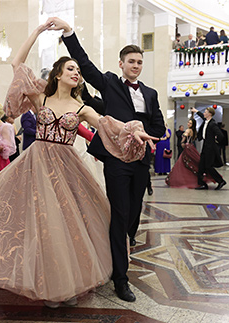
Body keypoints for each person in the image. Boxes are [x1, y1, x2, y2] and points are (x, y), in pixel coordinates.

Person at [0, 20, 156, 308]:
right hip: (36, 162)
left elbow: (107, 125)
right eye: (71, 69)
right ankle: (41, 280)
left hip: (66, 166)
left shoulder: (82, 107)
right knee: (32, 221)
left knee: (63, 224)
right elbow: (17, 63)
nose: (77, 73)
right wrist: (37, 33)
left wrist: (133, 130)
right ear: (58, 74)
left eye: (78, 70)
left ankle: (65, 282)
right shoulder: (41, 96)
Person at [56, 17, 165, 302]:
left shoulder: (151, 94)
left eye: (139, 62)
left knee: (132, 215)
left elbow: (159, 128)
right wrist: (69, 33)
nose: (136, 66)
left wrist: (142, 133)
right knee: (119, 214)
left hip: (141, 161)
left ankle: (123, 245)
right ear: (121, 64)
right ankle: (120, 278)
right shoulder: (109, 84)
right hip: (116, 161)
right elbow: (85, 63)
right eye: (131, 61)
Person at [166, 118, 215, 188]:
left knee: (182, 164)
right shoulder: (193, 131)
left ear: (193, 125)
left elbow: (184, 138)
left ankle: (181, 181)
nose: (188, 124)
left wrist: (182, 141)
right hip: (191, 147)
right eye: (188, 122)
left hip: (187, 148)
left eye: (190, 123)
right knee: (193, 163)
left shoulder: (188, 130)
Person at [191, 107, 226, 190]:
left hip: (210, 148)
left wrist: (214, 141)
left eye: (206, 112)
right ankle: (202, 184)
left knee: (208, 166)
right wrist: (196, 111)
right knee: (201, 166)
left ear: (210, 114)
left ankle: (221, 181)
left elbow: (220, 135)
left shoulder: (213, 124)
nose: (204, 113)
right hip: (205, 146)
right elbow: (201, 116)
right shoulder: (206, 121)